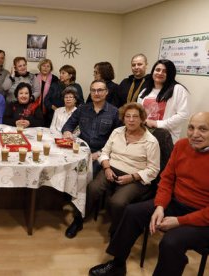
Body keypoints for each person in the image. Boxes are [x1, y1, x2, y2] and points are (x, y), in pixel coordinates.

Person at [89, 112, 209, 276]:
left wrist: (179, 221)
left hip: (203, 218)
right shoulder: (181, 146)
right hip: (175, 203)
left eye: (203, 129)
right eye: (191, 128)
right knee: (131, 212)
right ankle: (117, 264)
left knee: (171, 241)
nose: (195, 134)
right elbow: (167, 179)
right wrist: (160, 206)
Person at [65, 103, 160, 239]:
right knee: (92, 188)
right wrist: (107, 167)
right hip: (111, 169)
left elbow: (153, 169)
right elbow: (104, 152)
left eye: (135, 117)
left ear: (142, 119)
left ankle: (116, 230)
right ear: (123, 118)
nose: (131, 120)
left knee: (117, 202)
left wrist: (132, 177)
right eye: (128, 116)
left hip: (135, 177)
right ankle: (78, 219)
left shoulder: (151, 142)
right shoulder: (117, 132)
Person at [62, 80, 120, 176]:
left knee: (86, 174)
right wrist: (67, 131)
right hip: (80, 149)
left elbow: (117, 138)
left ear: (106, 92)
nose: (96, 93)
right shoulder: (82, 109)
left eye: (100, 90)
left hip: (101, 153)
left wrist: (99, 153)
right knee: (64, 168)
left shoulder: (114, 112)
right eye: (93, 90)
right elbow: (68, 125)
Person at [137, 59, 190, 143]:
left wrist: (157, 124)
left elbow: (183, 115)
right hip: (144, 138)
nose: (160, 73)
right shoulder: (144, 92)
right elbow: (138, 113)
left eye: (165, 71)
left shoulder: (177, 89)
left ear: (170, 74)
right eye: (157, 70)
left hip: (165, 140)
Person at [35, 59, 59, 127]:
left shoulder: (55, 79)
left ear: (51, 68)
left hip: (49, 108)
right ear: (40, 67)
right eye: (43, 66)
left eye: (48, 66)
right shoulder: (34, 76)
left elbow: (56, 94)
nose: (45, 68)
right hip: (36, 107)